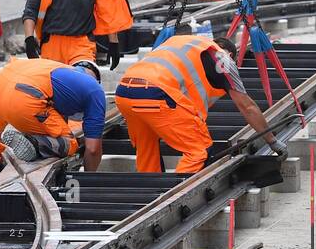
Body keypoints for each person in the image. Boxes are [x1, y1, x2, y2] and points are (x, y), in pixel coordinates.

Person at [114, 34, 268, 174]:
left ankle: (150, 192)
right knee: (199, 151)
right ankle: (173, 196)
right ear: (230, 55)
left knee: (147, 148)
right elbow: (248, 107)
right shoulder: (222, 58)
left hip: (124, 92)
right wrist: (271, 141)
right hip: (156, 93)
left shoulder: (185, 44)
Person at [0, 58, 105, 173]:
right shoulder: (95, 91)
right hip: (23, 97)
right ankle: (34, 143)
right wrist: (89, 178)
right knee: (70, 144)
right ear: (96, 80)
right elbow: (93, 149)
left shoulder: (54, 69)